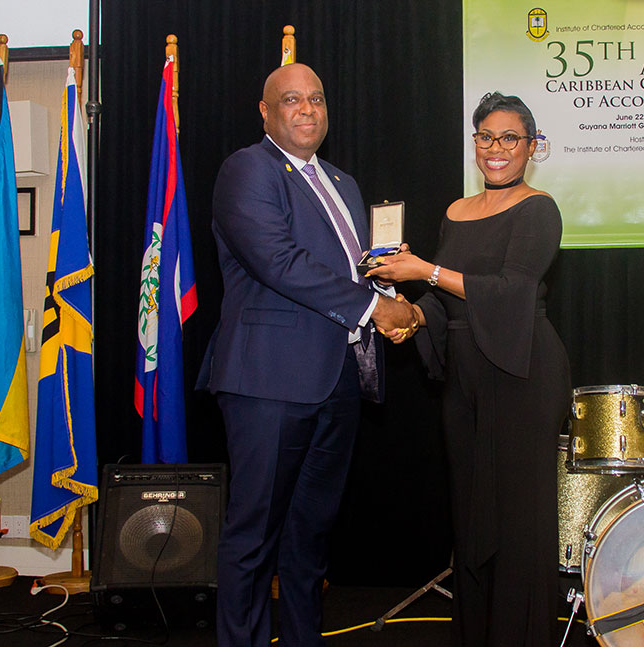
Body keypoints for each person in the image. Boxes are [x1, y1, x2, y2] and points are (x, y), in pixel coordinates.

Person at [206, 63, 417, 647]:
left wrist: (388, 283)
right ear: (266, 112)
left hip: (337, 380)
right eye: (292, 100)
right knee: (254, 538)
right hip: (268, 381)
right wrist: (375, 309)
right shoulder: (248, 169)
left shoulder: (343, 183)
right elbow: (278, 261)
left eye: (317, 99)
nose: (307, 110)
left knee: (309, 539)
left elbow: (349, 271)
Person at [368, 92, 571, 646]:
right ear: (475, 142)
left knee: (519, 522)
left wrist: (425, 272)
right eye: (485, 137)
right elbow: (446, 302)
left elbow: (511, 291)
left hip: (522, 370)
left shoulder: (540, 209)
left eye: (509, 138)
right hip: (466, 375)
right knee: (472, 515)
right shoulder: (456, 212)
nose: (495, 148)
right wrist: (411, 315)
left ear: (531, 146)